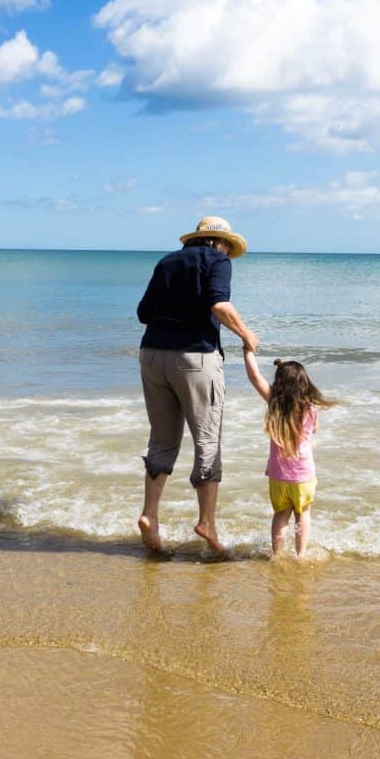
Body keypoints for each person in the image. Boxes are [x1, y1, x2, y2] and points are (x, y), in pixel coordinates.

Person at [136, 216, 260, 556]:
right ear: (221, 243)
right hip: (194, 359)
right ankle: (208, 523)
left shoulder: (166, 261)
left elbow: (143, 312)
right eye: (227, 248)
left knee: (161, 440)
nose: (227, 253)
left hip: (151, 355)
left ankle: (150, 516)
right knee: (206, 440)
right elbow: (219, 305)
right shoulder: (216, 260)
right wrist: (248, 335)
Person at [243, 350, 336, 558]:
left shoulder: (274, 404)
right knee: (303, 514)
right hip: (303, 473)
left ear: (279, 382)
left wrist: (247, 350)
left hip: (278, 474)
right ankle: (300, 555)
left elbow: (254, 377)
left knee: (280, 514)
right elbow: (315, 430)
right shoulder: (310, 407)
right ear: (304, 383)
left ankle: (276, 554)